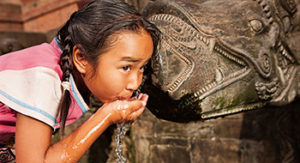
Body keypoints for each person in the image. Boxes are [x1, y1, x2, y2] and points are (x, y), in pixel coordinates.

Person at [0, 0, 160, 162]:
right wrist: (106, 116)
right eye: (126, 67)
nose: (135, 83)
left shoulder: (64, 72)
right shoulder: (43, 79)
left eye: (142, 68)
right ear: (81, 58)